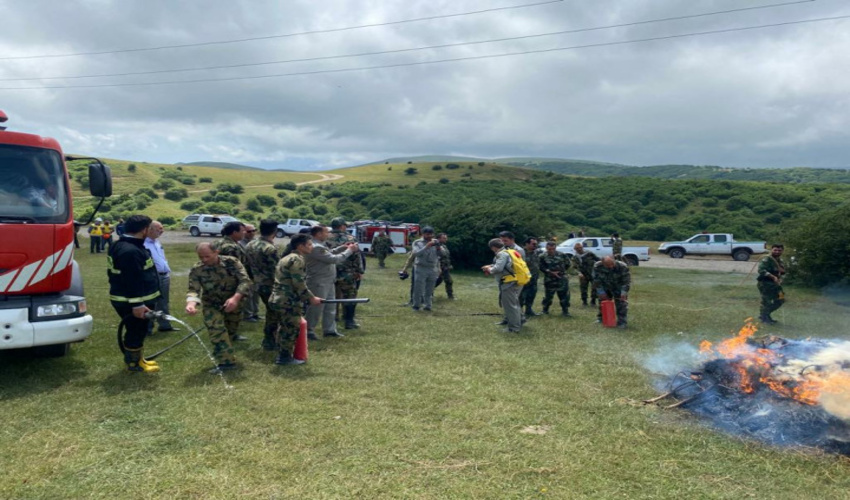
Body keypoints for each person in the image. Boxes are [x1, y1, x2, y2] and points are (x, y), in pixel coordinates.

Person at [186, 242, 253, 374]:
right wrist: (191, 304)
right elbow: (193, 289)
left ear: (216, 252)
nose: (204, 260)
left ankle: (225, 351)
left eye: (207, 256)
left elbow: (245, 281)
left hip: (233, 302)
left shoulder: (231, 263)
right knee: (216, 330)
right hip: (212, 304)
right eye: (201, 257)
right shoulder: (197, 269)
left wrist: (235, 298)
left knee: (230, 330)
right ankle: (226, 363)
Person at [107, 215, 161, 373]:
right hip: (132, 301)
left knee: (139, 329)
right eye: (149, 229)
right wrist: (137, 305)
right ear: (144, 230)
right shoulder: (130, 251)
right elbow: (131, 280)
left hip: (134, 299)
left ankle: (139, 359)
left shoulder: (124, 244)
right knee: (135, 331)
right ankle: (134, 364)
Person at [269, 233, 324, 365]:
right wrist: (311, 298)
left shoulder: (286, 257)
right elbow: (298, 283)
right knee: (290, 329)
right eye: (309, 244)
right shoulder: (297, 259)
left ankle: (282, 353)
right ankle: (284, 358)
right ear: (300, 246)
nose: (311, 247)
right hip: (288, 300)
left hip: (277, 298)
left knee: (283, 328)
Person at [305, 224, 358, 340]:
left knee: (330, 306)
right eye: (325, 232)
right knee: (316, 308)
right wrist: (349, 250)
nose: (328, 234)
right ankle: (309, 330)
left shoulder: (320, 245)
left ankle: (329, 330)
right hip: (318, 281)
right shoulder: (316, 246)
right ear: (318, 234)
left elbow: (330, 253)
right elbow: (334, 259)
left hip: (327, 281)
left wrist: (342, 248)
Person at [245, 220, 283, 350]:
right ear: (275, 232)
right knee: (274, 314)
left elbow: (247, 266)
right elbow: (277, 270)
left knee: (271, 312)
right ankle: (270, 341)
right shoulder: (270, 248)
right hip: (271, 285)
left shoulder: (250, 245)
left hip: (258, 283)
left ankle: (270, 340)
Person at [327, 218, 364, 329]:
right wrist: (359, 271)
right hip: (346, 273)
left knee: (331, 296)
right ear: (342, 226)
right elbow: (356, 255)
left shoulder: (325, 238)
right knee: (350, 296)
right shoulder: (350, 238)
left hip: (329, 271)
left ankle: (332, 318)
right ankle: (349, 321)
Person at [143, 220, 178, 334]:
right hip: (152, 277)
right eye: (159, 229)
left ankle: (164, 325)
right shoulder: (143, 244)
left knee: (163, 302)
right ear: (150, 230)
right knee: (150, 302)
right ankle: (147, 328)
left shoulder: (157, 242)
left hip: (164, 276)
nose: (162, 231)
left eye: (162, 228)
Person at [482, 238, 523, 333]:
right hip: (513, 281)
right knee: (514, 304)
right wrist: (491, 266)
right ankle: (517, 323)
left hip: (508, 283)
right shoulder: (508, 251)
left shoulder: (501, 254)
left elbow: (498, 268)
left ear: (493, 247)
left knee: (510, 306)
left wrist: (489, 269)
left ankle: (514, 328)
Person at [592, 256, 631, 328]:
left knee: (621, 304)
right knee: (603, 303)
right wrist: (601, 292)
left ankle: (622, 322)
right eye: (607, 265)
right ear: (603, 263)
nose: (611, 267)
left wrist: (624, 293)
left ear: (614, 261)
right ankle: (601, 319)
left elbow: (626, 282)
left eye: (612, 264)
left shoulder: (622, 267)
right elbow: (596, 280)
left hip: (618, 287)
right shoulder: (598, 266)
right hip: (605, 286)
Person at [411, 226, 440, 311]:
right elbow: (416, 254)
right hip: (421, 267)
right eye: (427, 234)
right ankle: (416, 305)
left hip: (432, 268)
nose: (429, 236)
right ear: (423, 234)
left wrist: (438, 247)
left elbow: (442, 255)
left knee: (430, 288)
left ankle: (428, 305)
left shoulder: (435, 242)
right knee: (418, 288)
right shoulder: (417, 243)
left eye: (431, 234)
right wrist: (426, 246)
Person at [539, 241, 572, 316]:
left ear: (555, 248)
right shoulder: (542, 256)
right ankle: (545, 310)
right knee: (548, 296)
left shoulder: (562, 255)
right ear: (546, 248)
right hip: (549, 279)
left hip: (561, 278)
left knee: (564, 295)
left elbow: (568, 264)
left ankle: (565, 311)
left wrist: (561, 272)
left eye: (553, 249)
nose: (551, 251)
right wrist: (550, 272)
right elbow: (541, 267)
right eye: (549, 249)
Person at [757, 244, 786, 325]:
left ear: (782, 251)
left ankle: (766, 314)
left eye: (779, 250)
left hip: (776, 285)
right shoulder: (767, 259)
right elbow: (761, 270)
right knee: (766, 301)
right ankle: (764, 318)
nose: (777, 252)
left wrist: (780, 278)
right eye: (775, 250)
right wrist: (773, 277)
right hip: (765, 283)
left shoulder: (780, 260)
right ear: (771, 250)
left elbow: (783, 272)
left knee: (781, 299)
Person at [239, 223, 261, 323]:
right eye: (249, 231)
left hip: (256, 272)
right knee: (248, 294)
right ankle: (248, 315)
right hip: (246, 272)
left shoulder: (256, 242)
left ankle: (255, 313)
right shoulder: (240, 244)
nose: (252, 233)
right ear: (244, 232)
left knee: (256, 293)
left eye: (254, 230)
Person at [520, 237, 541, 316]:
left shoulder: (536, 253)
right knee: (521, 296)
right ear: (527, 244)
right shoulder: (521, 253)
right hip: (523, 279)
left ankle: (529, 310)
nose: (535, 246)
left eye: (536, 244)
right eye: (533, 244)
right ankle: (519, 312)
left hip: (534, 278)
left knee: (532, 294)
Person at [433, 232, 455, 300]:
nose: (446, 239)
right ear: (439, 238)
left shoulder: (444, 246)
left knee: (449, 281)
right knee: (436, 281)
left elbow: (446, 257)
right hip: (439, 267)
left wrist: (449, 265)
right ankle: (428, 294)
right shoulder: (435, 246)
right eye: (444, 238)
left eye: (446, 238)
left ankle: (450, 296)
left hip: (445, 267)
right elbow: (436, 257)